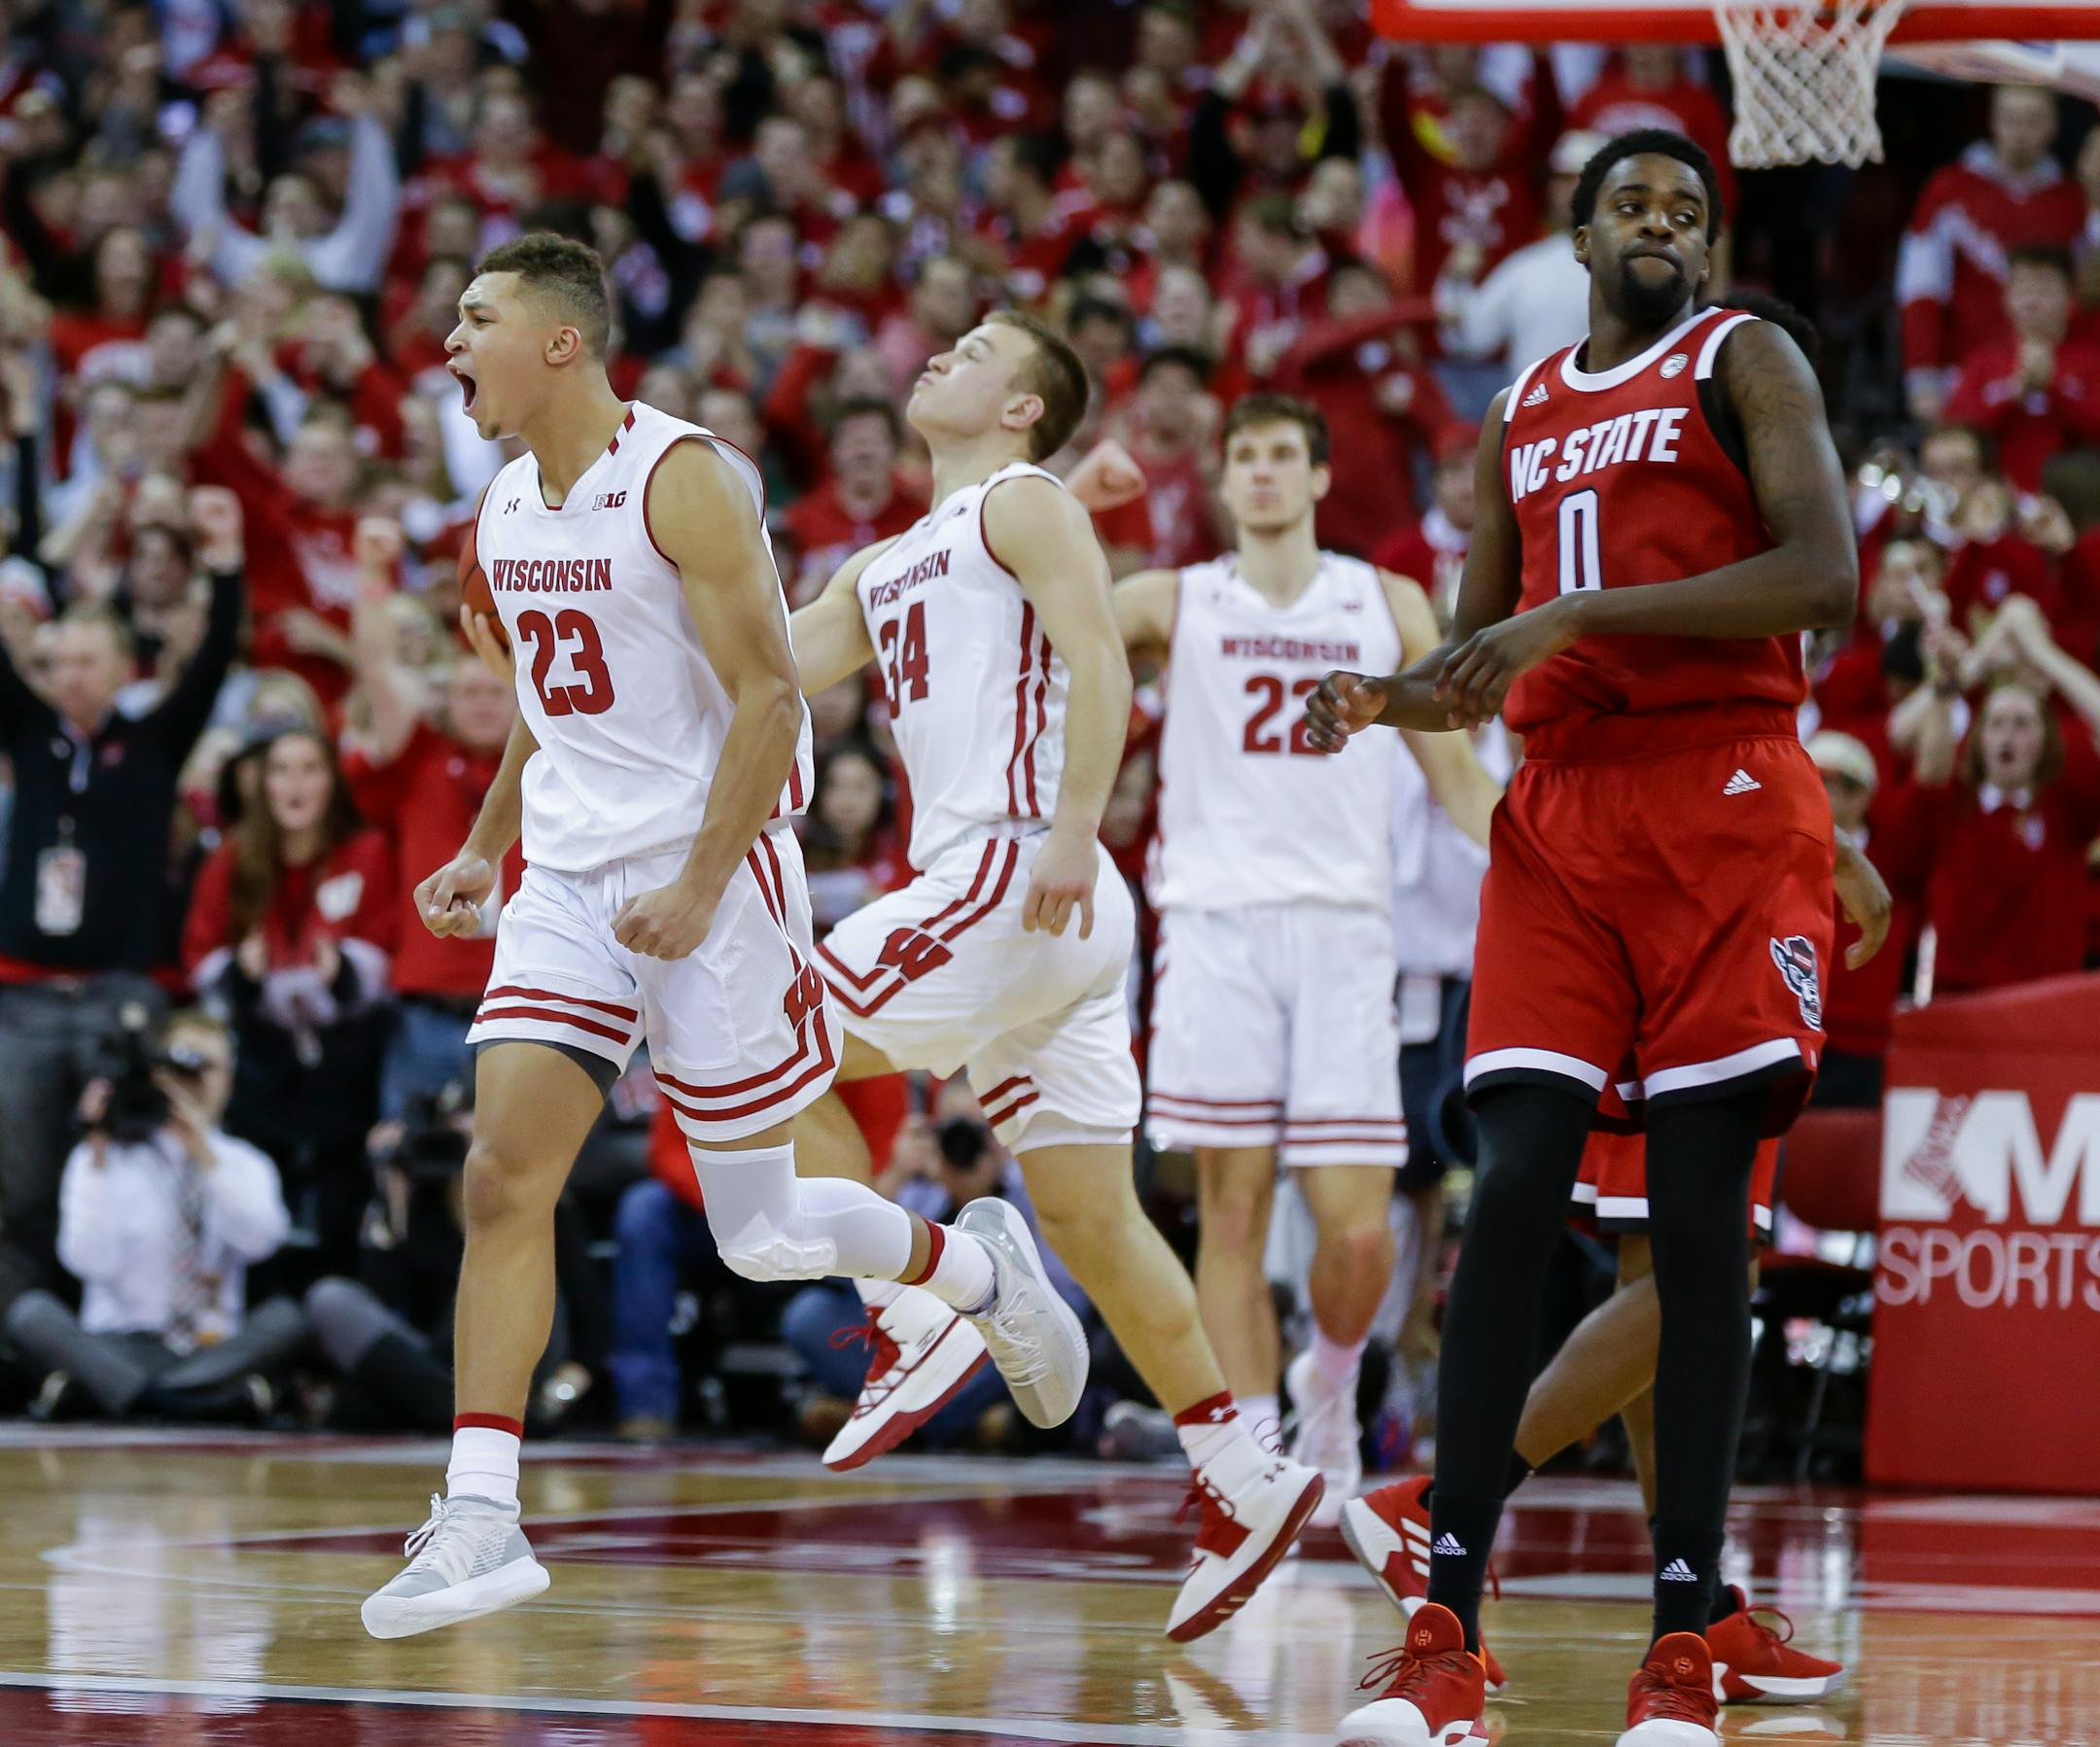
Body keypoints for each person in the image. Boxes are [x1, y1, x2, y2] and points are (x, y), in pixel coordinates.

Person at [361, 235, 1084, 1640]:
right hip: (570, 884)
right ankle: (482, 1510)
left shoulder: (684, 476)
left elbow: (767, 698)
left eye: (476, 319)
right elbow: (548, 703)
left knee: (757, 1235)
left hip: (720, 869)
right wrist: (484, 844)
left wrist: (698, 881)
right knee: (503, 1177)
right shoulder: (507, 505)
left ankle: (980, 1270)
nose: (448, 343)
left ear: (562, 342)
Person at [1308, 130, 1860, 1746]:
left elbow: (1821, 574)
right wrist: (1387, 698)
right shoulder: (1522, 407)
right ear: (1578, 233)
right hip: (1561, 814)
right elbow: (1491, 647)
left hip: (1724, 800)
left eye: (1687, 212)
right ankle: (1443, 1630)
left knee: (1697, 1235)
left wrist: (1578, 618)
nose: (1664, 229)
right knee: (1513, 1201)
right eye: (1634, 206)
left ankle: (1682, 1639)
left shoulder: (1742, 356)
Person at [788, 309, 1324, 1641]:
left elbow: (1098, 658)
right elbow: (772, 664)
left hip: (1019, 870)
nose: (933, 356)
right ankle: (1240, 1472)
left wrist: (1078, 825)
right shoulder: (892, 559)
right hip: (1046, 921)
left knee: (759, 1038)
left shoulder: (1024, 501)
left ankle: (919, 1305)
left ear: (1024, 408)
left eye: (974, 351)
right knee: (1095, 1215)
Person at [1340, 834, 1890, 1707]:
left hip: (1638, 908)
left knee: (1661, 1283)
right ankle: (1440, 1503)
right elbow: (1722, 716)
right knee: (1709, 1277)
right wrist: (1823, 841)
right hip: (1696, 916)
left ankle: (1700, 1607)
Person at [1111, 393, 1499, 1523]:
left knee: (1358, 1228)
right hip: (1216, 926)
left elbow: (1458, 775)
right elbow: (1047, 602)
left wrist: (1541, 857)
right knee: (1228, 1209)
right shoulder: (1176, 599)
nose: (1266, 474)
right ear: (1225, 481)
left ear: (1323, 477)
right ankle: (1253, 1469)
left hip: (1344, 929)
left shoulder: (1385, 600)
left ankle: (1329, 1382)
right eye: (1247, 457)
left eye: (1285, 455)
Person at [0, 486, 245, 1310]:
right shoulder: (30, 737)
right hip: (26, 996)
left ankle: (117, 1326)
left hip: (123, 994)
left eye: (86, 661)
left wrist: (226, 566)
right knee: (22, 1180)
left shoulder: (152, 744)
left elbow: (213, 659)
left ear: (120, 670)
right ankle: (27, 1345)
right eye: (59, 660)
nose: (70, 674)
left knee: (124, 1162)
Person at [4, 1010, 304, 1422]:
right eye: (180, 1068)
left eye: (206, 1068)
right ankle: (191, 1404)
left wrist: (203, 1152)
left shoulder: (244, 1162)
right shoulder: (103, 1158)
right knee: (32, 1313)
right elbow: (89, 1262)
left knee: (286, 1317)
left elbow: (261, 1242)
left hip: (211, 1348)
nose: (192, 1082)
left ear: (229, 1080)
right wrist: (97, 1152)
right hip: (118, 1346)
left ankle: (128, 1398)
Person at [182, 727, 398, 1275]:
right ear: (261, 784)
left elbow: (390, 947)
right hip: (262, 1055)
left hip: (347, 1053)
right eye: (280, 770)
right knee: (262, 1192)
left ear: (333, 781)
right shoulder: (234, 858)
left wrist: (345, 972)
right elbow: (199, 955)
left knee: (340, 1198)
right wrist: (241, 977)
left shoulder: (366, 849)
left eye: (310, 769)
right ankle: (269, 1324)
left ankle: (335, 1325)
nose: (294, 784)